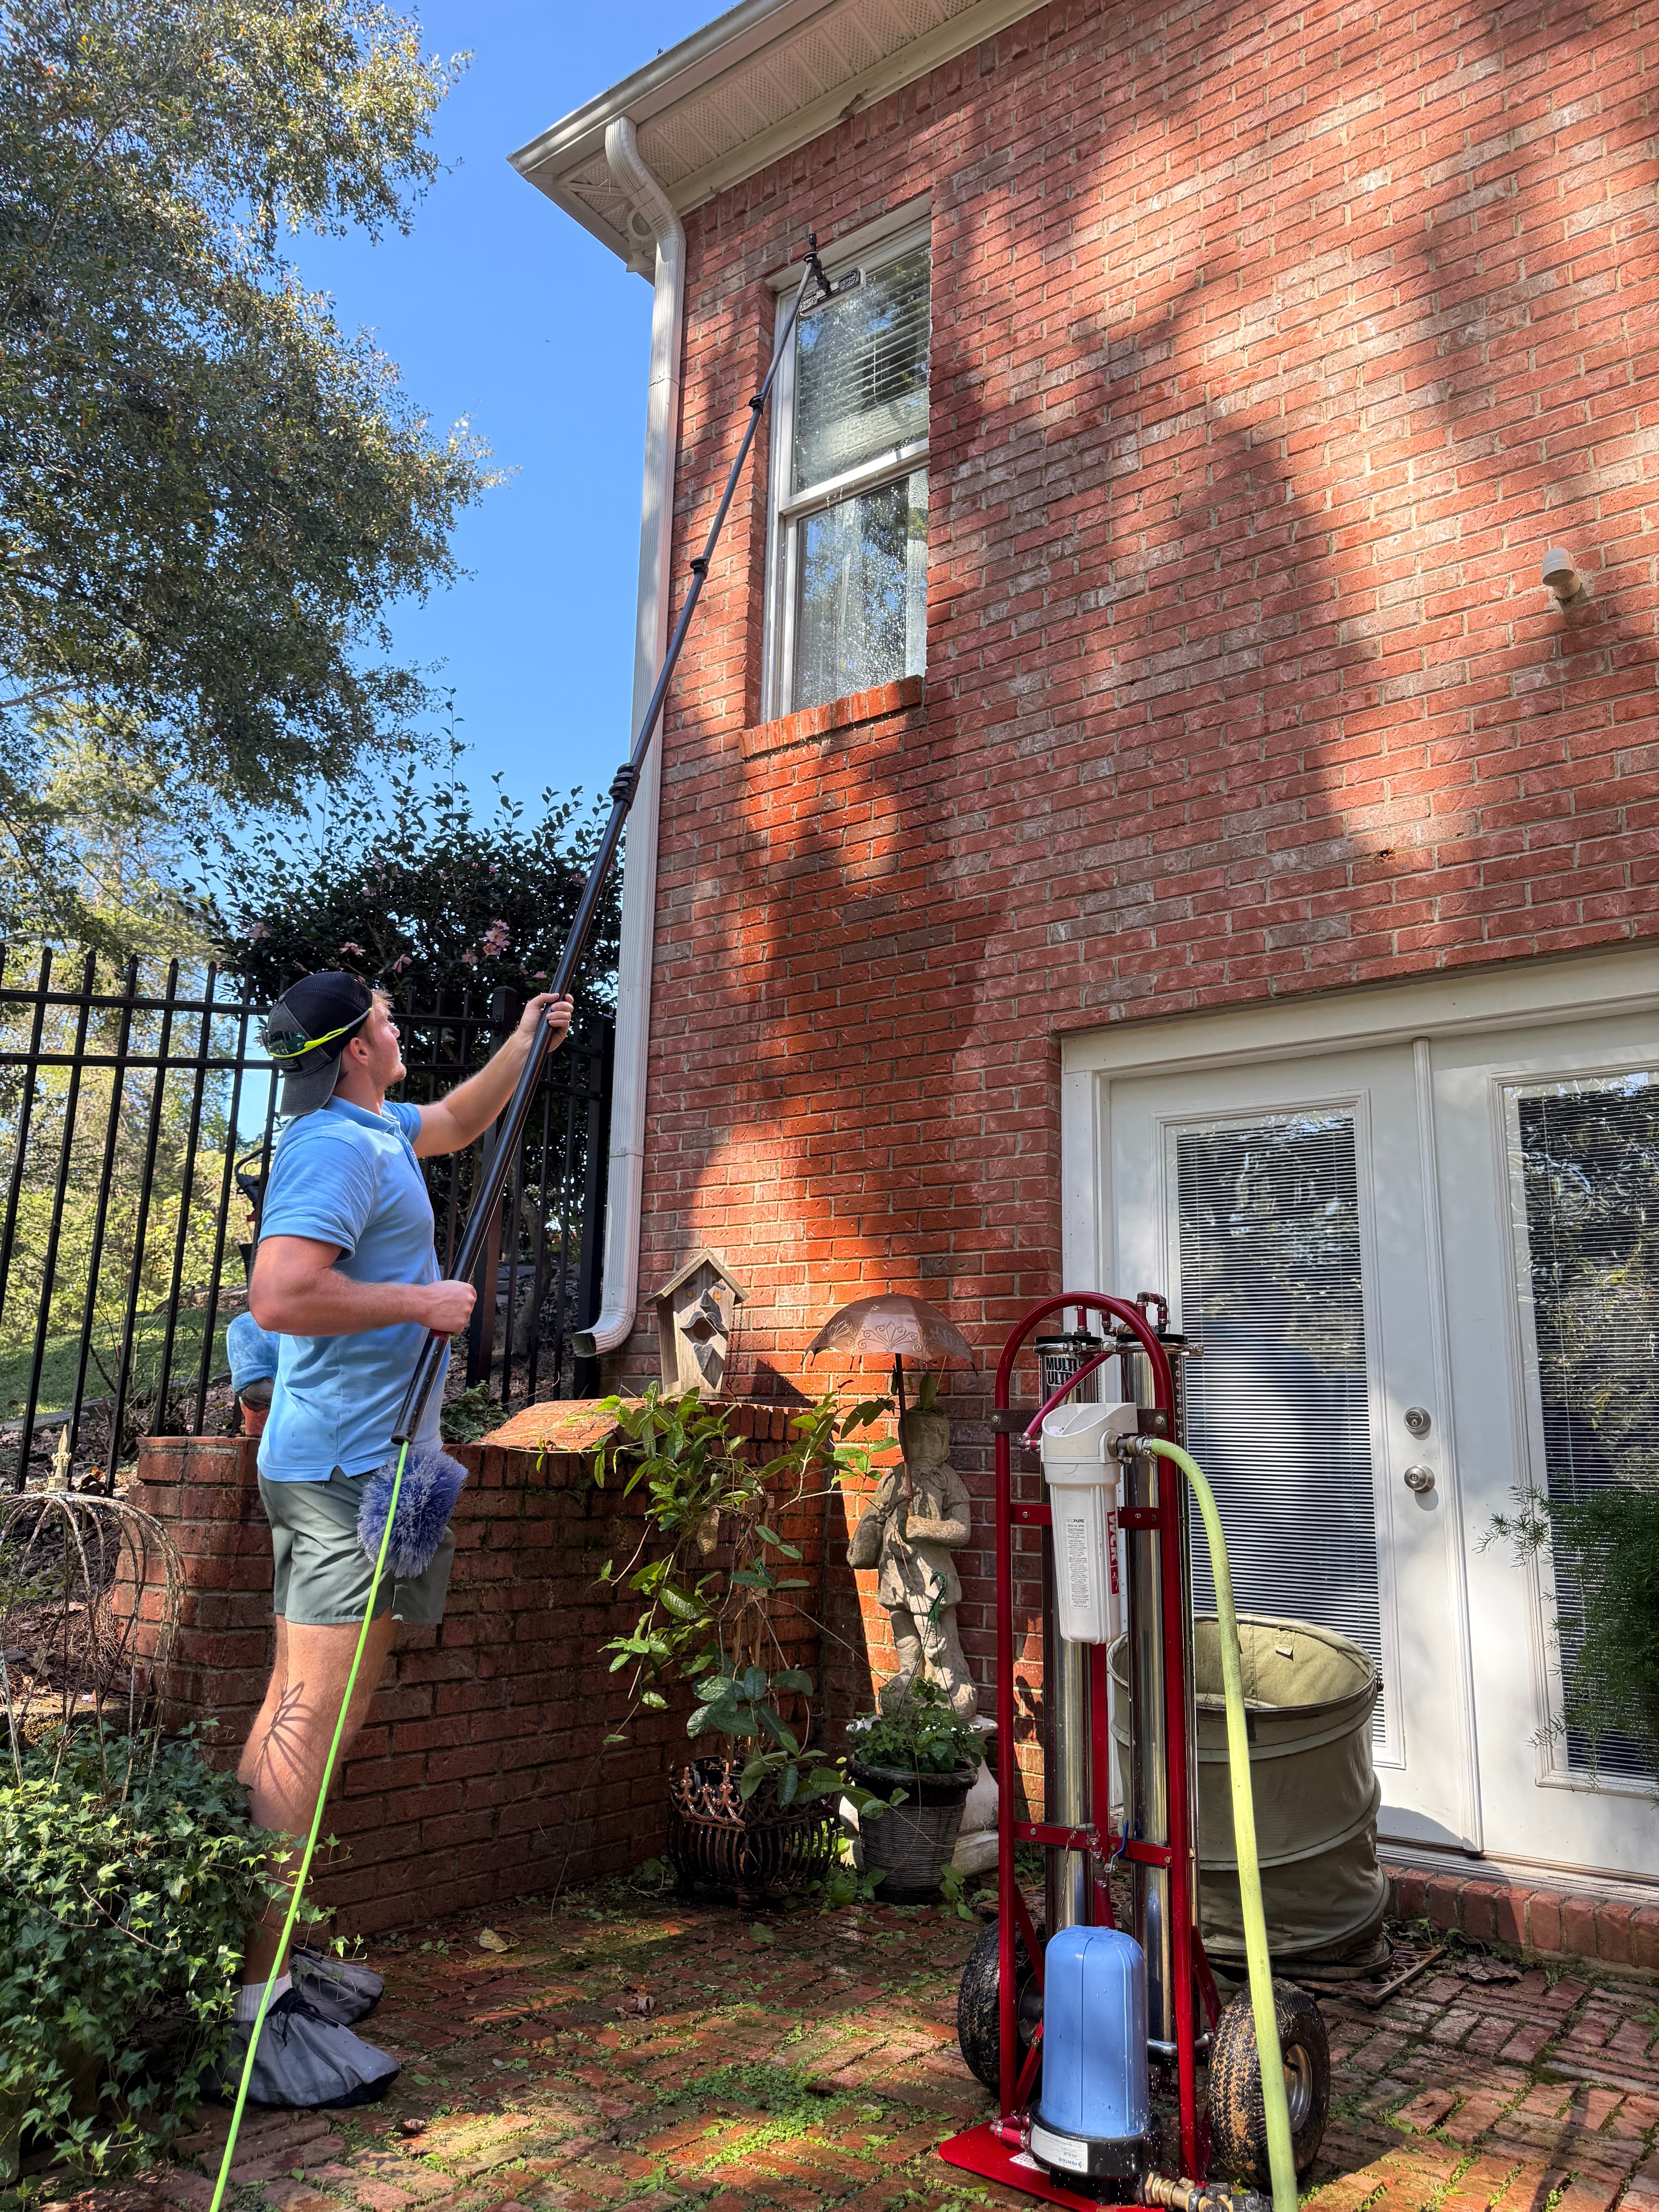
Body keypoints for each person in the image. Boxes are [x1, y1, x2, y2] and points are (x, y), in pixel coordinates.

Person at [230, 969, 573, 2108]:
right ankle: (251, 2004)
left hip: (405, 1474)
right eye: (382, 1014)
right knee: (305, 1717)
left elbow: (469, 1116)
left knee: (345, 1713)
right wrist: (421, 1306)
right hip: (341, 1470)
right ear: (354, 1050)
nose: (397, 1024)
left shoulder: (383, 1129)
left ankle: (285, 1955)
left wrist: (528, 1034)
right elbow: (279, 1295)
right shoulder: (335, 1148)